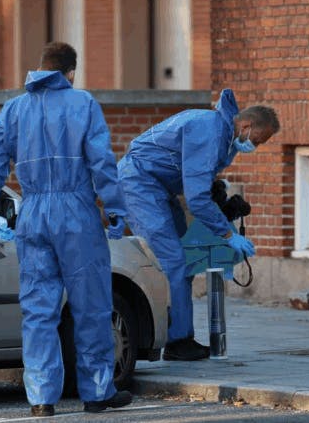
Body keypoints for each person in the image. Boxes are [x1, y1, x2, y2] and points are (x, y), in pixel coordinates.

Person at [0, 42, 132, 418]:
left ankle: (41, 398)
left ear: (39, 67)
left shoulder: (13, 109)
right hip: (76, 212)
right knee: (91, 305)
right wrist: (115, 208)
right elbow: (102, 162)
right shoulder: (83, 103)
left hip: (33, 213)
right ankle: (96, 393)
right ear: (70, 73)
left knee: (38, 310)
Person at [117, 89, 280, 361]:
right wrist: (228, 234)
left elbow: (199, 182)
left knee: (187, 258)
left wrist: (222, 200)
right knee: (175, 260)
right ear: (247, 126)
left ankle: (174, 330)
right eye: (258, 140)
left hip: (156, 187)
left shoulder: (222, 134)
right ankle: (178, 340)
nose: (256, 146)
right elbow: (196, 199)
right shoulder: (210, 131)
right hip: (139, 185)